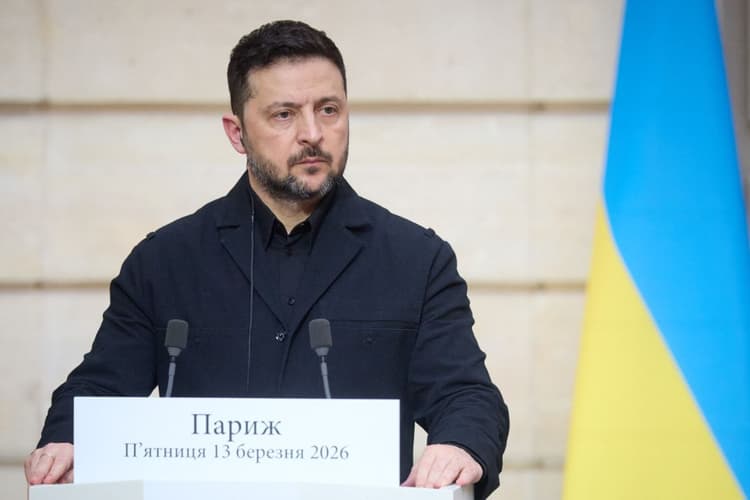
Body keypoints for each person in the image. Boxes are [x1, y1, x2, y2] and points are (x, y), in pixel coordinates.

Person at [24, 20, 509, 499]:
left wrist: (460, 443)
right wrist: (67, 439)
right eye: (284, 115)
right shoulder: (164, 260)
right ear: (237, 133)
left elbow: (466, 395)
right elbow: (100, 388)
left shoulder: (417, 259)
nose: (312, 133)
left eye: (329, 109)